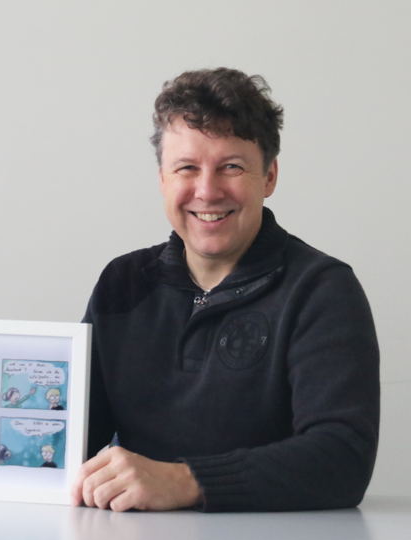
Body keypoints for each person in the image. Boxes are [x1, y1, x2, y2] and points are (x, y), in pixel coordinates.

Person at [71, 68, 379, 514]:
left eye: (231, 167)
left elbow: (343, 459)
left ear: (269, 176)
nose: (207, 191)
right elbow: (71, 441)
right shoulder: (122, 283)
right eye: (186, 168)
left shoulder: (322, 290)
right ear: (162, 179)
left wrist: (186, 481)